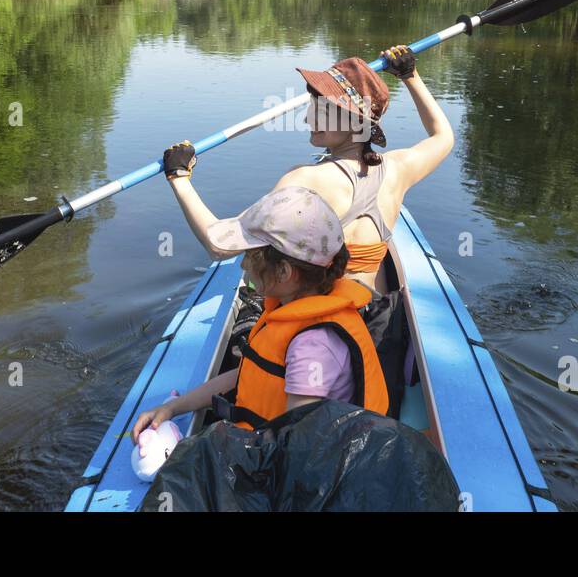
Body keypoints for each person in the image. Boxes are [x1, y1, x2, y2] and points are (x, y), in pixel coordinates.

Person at [161, 45, 454, 416]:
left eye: (321, 108)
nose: (307, 118)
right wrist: (411, 76)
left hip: (314, 324)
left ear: (352, 120)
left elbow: (220, 244)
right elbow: (443, 137)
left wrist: (179, 176)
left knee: (252, 324)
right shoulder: (397, 169)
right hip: (375, 323)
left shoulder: (306, 180)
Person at [130, 186, 387, 438]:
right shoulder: (293, 306)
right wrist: (174, 407)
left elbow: (296, 445)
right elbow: (247, 372)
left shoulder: (313, 348)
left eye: (251, 256)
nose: (242, 264)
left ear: (284, 271)